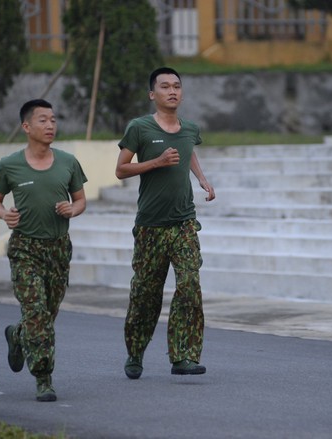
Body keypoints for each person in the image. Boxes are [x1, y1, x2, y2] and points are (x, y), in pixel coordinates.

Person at [115, 67, 215, 379]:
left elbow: (189, 153)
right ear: (152, 94)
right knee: (145, 294)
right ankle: (135, 351)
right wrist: (156, 163)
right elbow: (121, 169)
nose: (172, 91)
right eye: (165, 86)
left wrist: (201, 179)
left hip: (184, 223)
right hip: (150, 226)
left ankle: (183, 356)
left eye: (176, 86)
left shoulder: (189, 129)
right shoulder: (140, 128)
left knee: (189, 286)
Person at [0, 99, 87, 402]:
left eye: (54, 120)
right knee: (37, 314)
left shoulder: (68, 162)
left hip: (58, 249)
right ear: (26, 127)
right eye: (43, 120)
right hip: (25, 249)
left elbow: (81, 200)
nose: (50, 126)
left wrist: (73, 209)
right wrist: (4, 213)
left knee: (47, 313)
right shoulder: (9, 164)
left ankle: (18, 335)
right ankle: (43, 378)